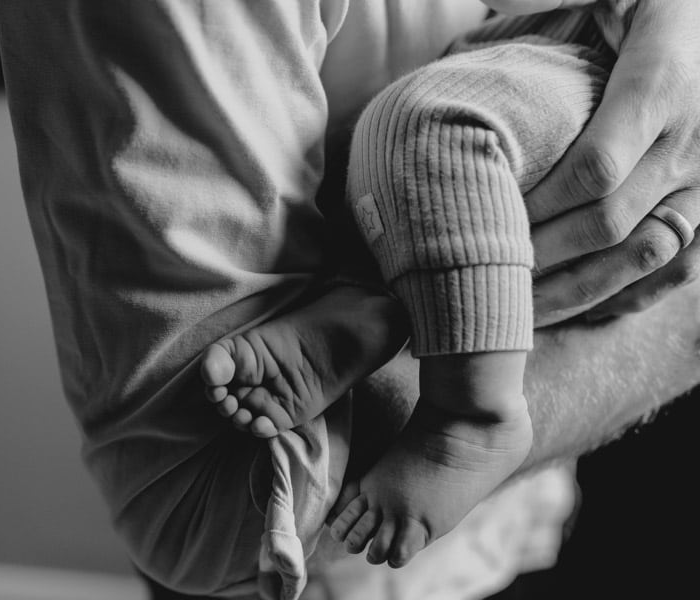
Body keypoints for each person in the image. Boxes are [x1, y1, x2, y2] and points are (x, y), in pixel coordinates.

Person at [0, 0, 700, 600]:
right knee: (413, 149)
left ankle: (447, 387)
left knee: (423, 145)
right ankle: (442, 373)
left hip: (540, 520)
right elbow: (200, 510)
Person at [198, 2, 666, 571]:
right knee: (350, 168)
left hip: (607, 48)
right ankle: (370, 305)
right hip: (562, 44)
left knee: (428, 132)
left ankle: (473, 415)